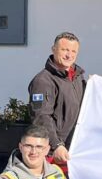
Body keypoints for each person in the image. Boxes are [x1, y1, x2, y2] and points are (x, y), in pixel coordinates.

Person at [28, 32, 86, 165]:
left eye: (73, 51)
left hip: (75, 150)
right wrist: (56, 145)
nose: (69, 55)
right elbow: (41, 117)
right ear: (53, 49)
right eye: (65, 50)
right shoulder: (43, 81)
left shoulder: (78, 78)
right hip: (54, 154)